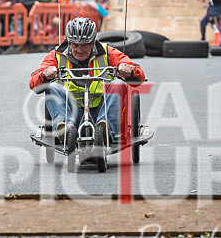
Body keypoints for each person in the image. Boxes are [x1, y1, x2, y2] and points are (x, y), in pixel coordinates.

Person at [28, 18, 146, 152]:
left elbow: (139, 74)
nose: (79, 50)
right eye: (75, 45)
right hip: (71, 112)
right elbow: (33, 83)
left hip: (102, 111)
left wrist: (129, 70)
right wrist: (45, 75)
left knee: (118, 84)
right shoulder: (56, 55)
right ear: (69, 42)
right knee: (52, 87)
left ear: (93, 42)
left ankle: (106, 129)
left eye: (84, 45)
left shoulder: (107, 52)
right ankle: (65, 130)